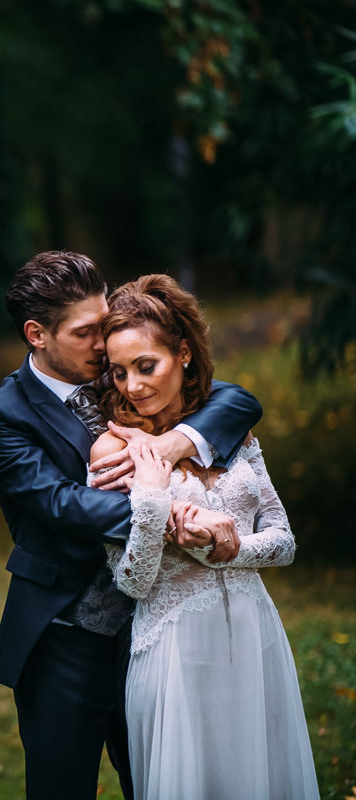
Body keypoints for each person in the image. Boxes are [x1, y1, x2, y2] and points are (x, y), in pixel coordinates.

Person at [0, 251, 262, 800]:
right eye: (84, 333)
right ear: (36, 334)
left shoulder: (125, 369)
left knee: (159, 784)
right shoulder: (0, 416)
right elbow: (61, 504)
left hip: (151, 630)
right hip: (64, 641)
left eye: (102, 326)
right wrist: (172, 514)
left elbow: (237, 401)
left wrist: (174, 443)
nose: (102, 346)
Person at [91, 274, 318, 799]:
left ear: (184, 354)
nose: (133, 386)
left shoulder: (228, 430)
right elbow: (132, 581)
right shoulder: (114, 452)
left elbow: (283, 540)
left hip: (256, 634)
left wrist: (227, 549)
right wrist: (152, 500)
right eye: (119, 372)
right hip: (175, 650)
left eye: (146, 366)